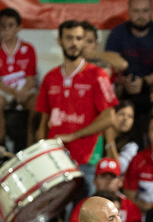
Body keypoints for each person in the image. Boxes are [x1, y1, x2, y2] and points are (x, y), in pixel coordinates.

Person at [36, 20, 119, 191]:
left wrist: (74, 136)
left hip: (86, 157)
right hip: (56, 158)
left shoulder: (98, 75)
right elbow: (43, 122)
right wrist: (41, 154)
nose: (74, 43)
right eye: (69, 38)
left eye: (79, 38)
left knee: (82, 213)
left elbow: (109, 117)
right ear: (60, 41)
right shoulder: (50, 77)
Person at [0, 8, 39, 153]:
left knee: (36, 103)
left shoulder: (28, 48)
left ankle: (30, 148)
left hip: (24, 90)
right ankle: (2, 146)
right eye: (3, 26)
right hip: (5, 90)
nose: (6, 29)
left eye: (10, 25)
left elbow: (30, 79)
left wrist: (21, 93)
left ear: (19, 28)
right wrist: (12, 92)